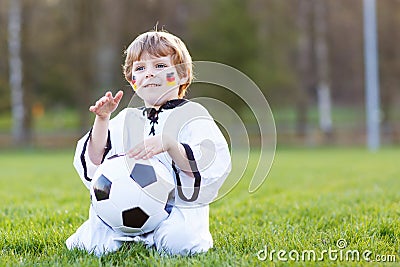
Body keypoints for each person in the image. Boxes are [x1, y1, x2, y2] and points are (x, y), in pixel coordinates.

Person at [66, 29, 231, 256]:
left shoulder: (193, 115)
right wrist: (102, 120)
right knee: (91, 244)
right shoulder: (127, 118)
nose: (149, 74)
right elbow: (94, 163)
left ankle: (151, 238)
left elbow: (208, 165)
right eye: (140, 68)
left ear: (183, 75)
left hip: (175, 210)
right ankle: (127, 234)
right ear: (132, 80)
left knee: (180, 243)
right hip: (122, 206)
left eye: (160, 66)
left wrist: (171, 145)